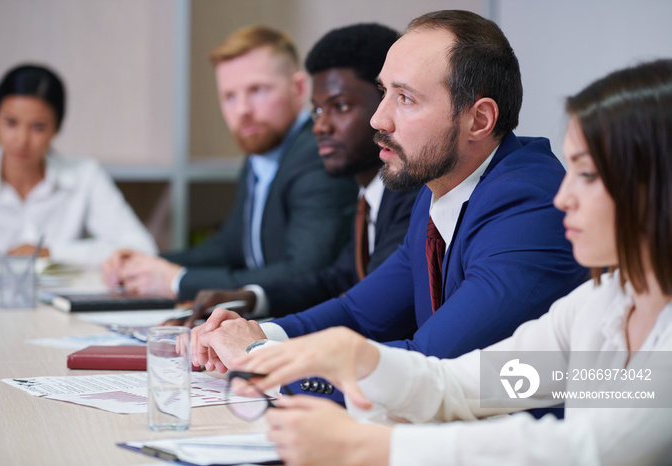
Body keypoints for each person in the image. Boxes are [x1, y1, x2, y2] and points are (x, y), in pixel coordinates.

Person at [232, 58, 672, 466]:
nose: (563, 197)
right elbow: (467, 386)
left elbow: (585, 448)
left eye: (588, 175)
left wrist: (374, 448)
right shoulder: (604, 302)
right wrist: (359, 358)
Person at [190, 10, 587, 374]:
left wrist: (260, 360)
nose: (379, 119)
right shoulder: (438, 192)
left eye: (406, 98)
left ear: (479, 120)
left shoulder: (530, 208)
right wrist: (256, 333)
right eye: (383, 93)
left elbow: (429, 364)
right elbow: (360, 313)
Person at [171, 23, 419, 326]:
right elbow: (334, 280)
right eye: (316, 112)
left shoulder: (411, 197)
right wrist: (251, 297)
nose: (320, 127)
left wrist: (266, 338)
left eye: (340, 106)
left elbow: (371, 311)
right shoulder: (369, 196)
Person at [101, 26, 358, 300]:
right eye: (229, 96)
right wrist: (146, 263)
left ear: (299, 88)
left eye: (257, 90)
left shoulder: (317, 156)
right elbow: (229, 248)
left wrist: (177, 282)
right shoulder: (259, 157)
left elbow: (303, 273)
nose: (243, 110)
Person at [0, 64, 156, 267]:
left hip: (66, 298)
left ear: (56, 129)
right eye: (11, 123)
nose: (21, 140)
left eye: (38, 127)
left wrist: (53, 252)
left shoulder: (85, 176)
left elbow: (142, 249)